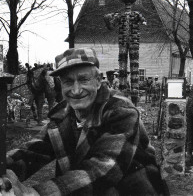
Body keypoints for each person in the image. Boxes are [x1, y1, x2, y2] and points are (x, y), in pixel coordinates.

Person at [0, 48, 167, 196]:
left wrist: (35, 192)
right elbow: (33, 152)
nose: (76, 90)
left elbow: (102, 170)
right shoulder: (63, 114)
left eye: (83, 79)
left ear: (98, 81)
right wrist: (3, 167)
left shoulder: (120, 111)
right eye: (68, 82)